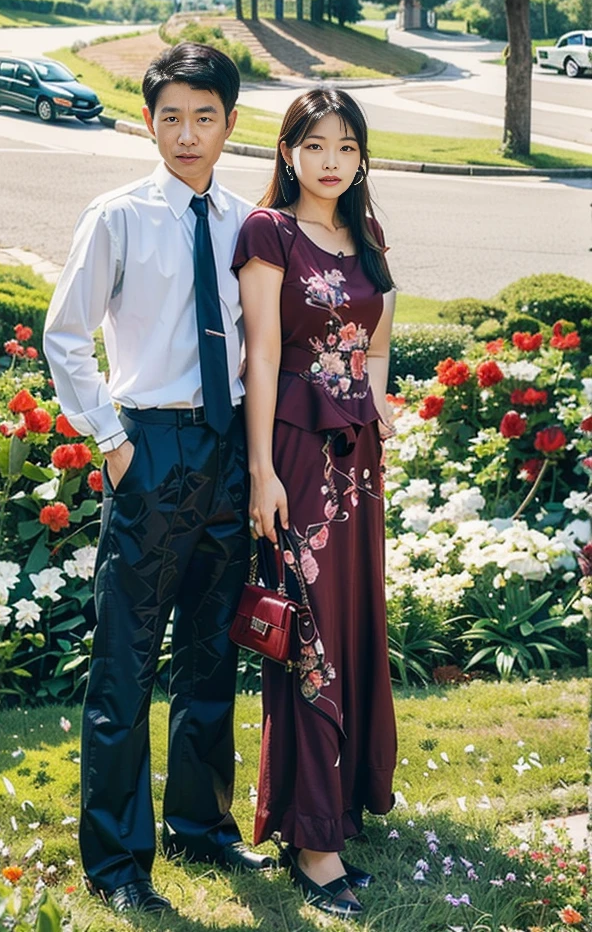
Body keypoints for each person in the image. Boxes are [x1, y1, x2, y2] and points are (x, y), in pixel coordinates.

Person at [43, 42, 274, 917]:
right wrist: (110, 437)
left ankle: (201, 829)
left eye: (204, 116)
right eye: (171, 116)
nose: (187, 133)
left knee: (213, 652)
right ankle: (116, 858)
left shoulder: (251, 222)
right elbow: (64, 335)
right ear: (148, 121)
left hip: (225, 454)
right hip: (152, 449)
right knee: (127, 660)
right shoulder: (118, 215)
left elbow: (262, 345)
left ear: (229, 123)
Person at [232, 88, 398, 919]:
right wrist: (262, 470)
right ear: (288, 150)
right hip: (296, 454)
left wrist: (381, 414)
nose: (331, 159)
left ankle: (341, 807)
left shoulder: (367, 237)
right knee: (311, 636)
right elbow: (262, 356)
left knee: (353, 622)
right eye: (315, 144)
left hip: (358, 462)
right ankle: (312, 840)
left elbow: (376, 348)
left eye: (346, 145)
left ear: (361, 156)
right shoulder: (270, 232)